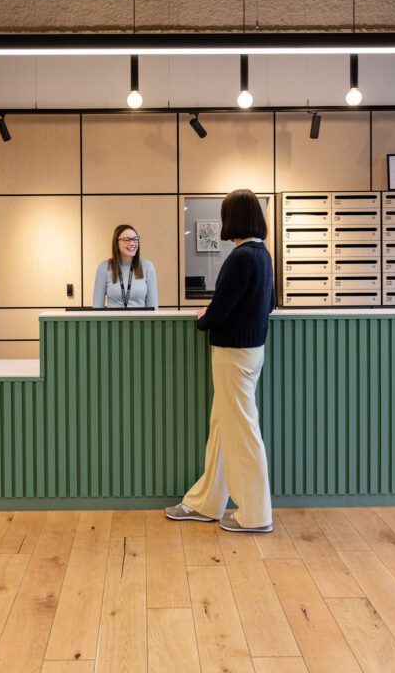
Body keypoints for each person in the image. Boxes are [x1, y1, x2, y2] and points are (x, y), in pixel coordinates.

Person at [165, 189, 275, 532]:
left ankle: (256, 515)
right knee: (223, 429)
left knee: (242, 432)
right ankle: (207, 503)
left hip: (232, 356)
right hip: (251, 353)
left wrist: (203, 318)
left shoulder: (241, 257)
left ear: (234, 219)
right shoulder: (263, 255)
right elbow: (268, 303)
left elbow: (218, 311)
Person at [92, 224, 158, 309]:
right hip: (113, 321)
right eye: (127, 240)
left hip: (140, 321)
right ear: (116, 243)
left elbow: (153, 308)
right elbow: (97, 308)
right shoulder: (104, 267)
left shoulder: (148, 267)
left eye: (135, 239)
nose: (132, 243)